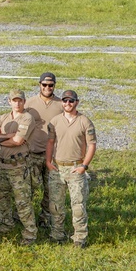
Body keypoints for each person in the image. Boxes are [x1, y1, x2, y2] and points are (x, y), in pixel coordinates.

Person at [45, 90, 96, 248]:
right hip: (57, 168)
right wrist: (48, 162)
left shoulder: (84, 121)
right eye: (65, 100)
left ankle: (79, 238)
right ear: (62, 102)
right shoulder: (54, 121)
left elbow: (92, 145)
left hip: (75, 168)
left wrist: (84, 166)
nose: (68, 104)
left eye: (71, 101)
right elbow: (50, 142)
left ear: (77, 102)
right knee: (55, 205)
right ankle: (57, 234)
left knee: (78, 206)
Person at [0, 89, 37, 245]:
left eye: (20, 100)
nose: (17, 103)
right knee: (2, 199)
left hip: (18, 167)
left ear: (24, 101)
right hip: (2, 165)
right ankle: (6, 226)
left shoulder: (27, 118)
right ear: (9, 101)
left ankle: (30, 233)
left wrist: (0, 140)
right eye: (14, 100)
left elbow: (17, 142)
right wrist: (9, 136)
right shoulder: (4, 117)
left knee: (22, 202)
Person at [25, 72, 63, 229]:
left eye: (51, 85)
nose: (47, 88)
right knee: (29, 188)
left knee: (50, 190)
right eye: (44, 85)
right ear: (39, 85)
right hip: (32, 153)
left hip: (52, 156)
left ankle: (45, 219)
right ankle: (25, 218)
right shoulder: (29, 103)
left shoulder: (61, 104)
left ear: (54, 85)